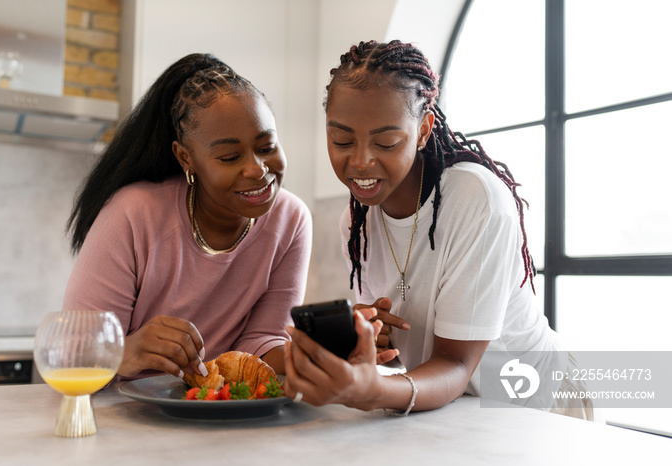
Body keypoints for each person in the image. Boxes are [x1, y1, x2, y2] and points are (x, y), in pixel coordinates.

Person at [283, 40, 592, 420]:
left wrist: (373, 388)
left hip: (541, 408)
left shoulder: (475, 199)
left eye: (386, 141)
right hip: (463, 414)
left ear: (424, 130)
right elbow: (417, 353)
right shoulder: (357, 221)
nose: (360, 161)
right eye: (341, 140)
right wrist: (374, 335)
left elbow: (456, 364)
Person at [63, 53, 312, 380]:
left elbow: (262, 345)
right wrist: (128, 351)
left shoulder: (291, 220)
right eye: (230, 157)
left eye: (266, 147)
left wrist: (323, 350)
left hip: (220, 417)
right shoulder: (133, 213)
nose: (257, 169)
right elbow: (70, 355)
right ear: (186, 158)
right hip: (124, 418)